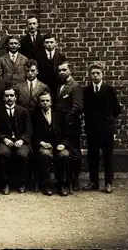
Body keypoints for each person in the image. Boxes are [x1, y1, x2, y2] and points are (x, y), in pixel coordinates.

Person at [83, 62, 122, 193]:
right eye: (93, 73)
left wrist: (109, 120)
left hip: (106, 130)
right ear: (90, 75)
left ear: (102, 74)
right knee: (92, 156)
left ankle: (108, 183)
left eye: (97, 73)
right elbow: (86, 110)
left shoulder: (109, 89)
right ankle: (94, 181)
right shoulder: (87, 90)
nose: (95, 76)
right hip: (92, 130)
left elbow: (117, 108)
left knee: (107, 157)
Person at [0, 87, 32, 195]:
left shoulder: (23, 111)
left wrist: (22, 140)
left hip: (21, 141)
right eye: (7, 96)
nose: (9, 98)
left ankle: (22, 183)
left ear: (15, 97)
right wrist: (4, 139)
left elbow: (29, 129)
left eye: (11, 95)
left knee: (22, 155)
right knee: (3, 153)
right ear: (3, 98)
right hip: (5, 140)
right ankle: (5, 183)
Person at [32, 91, 72, 196]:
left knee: (64, 155)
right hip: (43, 146)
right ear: (39, 103)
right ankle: (46, 185)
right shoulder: (34, 116)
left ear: (51, 102)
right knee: (45, 154)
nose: (45, 103)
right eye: (42, 101)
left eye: (47, 100)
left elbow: (67, 134)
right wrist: (41, 143)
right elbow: (32, 134)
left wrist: (63, 144)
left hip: (58, 146)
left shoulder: (59, 115)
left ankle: (62, 184)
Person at [54, 61, 83, 192]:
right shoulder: (59, 85)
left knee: (75, 151)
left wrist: (68, 118)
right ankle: (65, 179)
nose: (61, 72)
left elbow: (78, 106)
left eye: (64, 70)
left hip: (71, 124)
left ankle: (75, 179)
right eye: (59, 70)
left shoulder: (75, 86)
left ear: (70, 71)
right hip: (61, 123)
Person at [35, 34, 67, 99]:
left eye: (51, 42)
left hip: (57, 86)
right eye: (47, 42)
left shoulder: (61, 56)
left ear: (56, 43)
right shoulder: (38, 56)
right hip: (43, 86)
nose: (49, 44)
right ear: (43, 44)